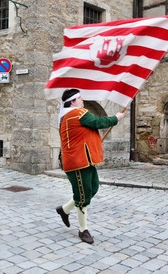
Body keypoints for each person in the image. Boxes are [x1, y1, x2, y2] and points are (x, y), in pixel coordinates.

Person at [56, 89, 125, 244]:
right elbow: (98, 122)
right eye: (79, 98)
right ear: (73, 102)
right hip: (77, 162)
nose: (82, 99)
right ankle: (83, 230)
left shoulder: (70, 115)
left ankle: (65, 209)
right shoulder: (77, 113)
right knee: (83, 195)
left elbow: (86, 132)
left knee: (93, 188)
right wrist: (116, 118)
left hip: (84, 160)